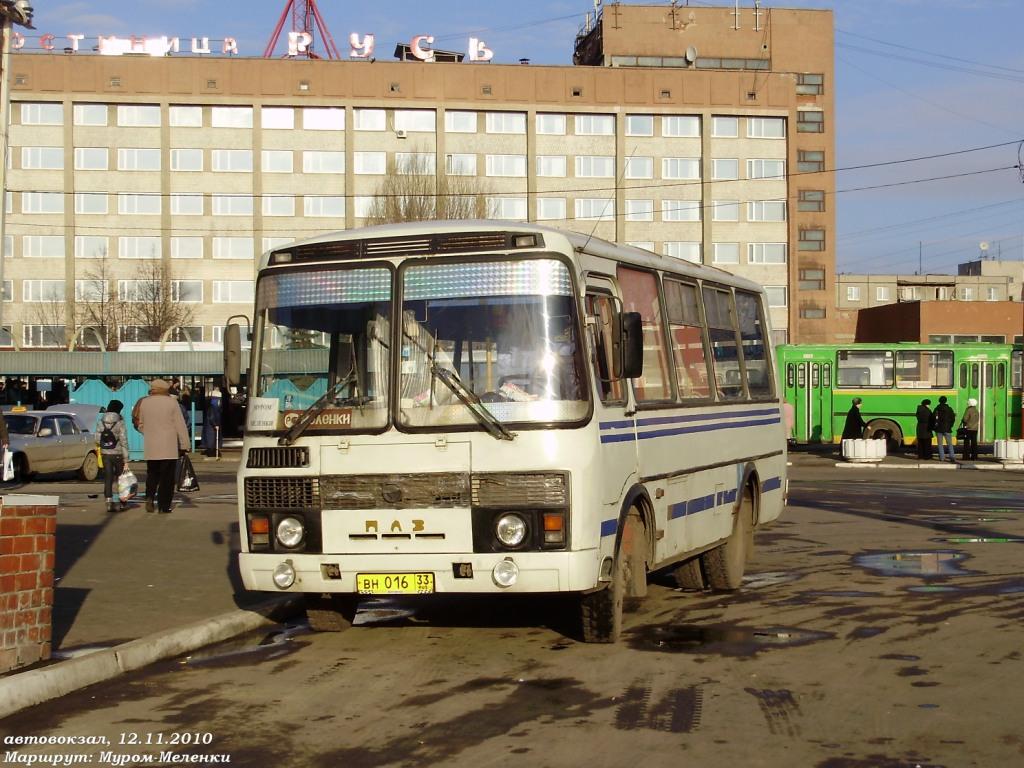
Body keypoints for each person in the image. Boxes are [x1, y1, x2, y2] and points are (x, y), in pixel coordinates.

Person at [135, 378, 190, 514]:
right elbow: (180, 425)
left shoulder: (145, 403)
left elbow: (140, 425)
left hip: (151, 445)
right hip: (169, 446)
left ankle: (149, 497)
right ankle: (163, 506)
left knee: (152, 474)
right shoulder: (172, 402)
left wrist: (149, 433)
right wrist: (185, 444)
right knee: (167, 477)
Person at [96, 399, 130, 513]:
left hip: (105, 454)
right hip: (118, 454)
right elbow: (123, 440)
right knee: (121, 479)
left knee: (108, 478)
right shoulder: (120, 421)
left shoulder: (101, 421)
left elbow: (97, 439)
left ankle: (109, 502)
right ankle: (123, 503)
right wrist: (126, 459)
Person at [933, 395, 956, 464]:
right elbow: (953, 418)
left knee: (940, 444)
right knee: (950, 444)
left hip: (938, 429)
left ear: (939, 401)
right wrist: (950, 426)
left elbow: (933, 418)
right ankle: (952, 457)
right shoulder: (949, 409)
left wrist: (935, 427)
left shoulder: (937, 408)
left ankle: (942, 458)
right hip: (947, 429)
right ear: (946, 401)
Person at [203, 387, 223, 458]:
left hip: (211, 427)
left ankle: (212, 452)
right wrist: (215, 424)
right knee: (212, 441)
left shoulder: (212, 406)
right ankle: (212, 453)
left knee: (212, 441)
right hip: (212, 428)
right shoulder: (214, 407)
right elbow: (212, 417)